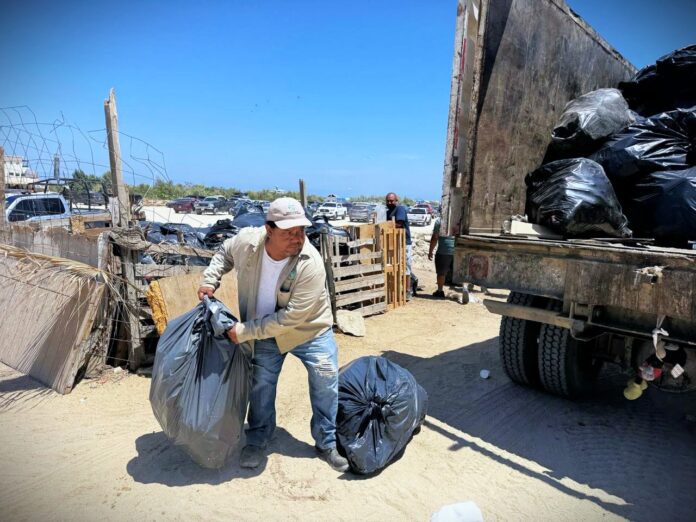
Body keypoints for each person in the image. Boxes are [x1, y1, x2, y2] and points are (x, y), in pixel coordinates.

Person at [197, 197, 349, 473]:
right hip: (265, 329)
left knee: (326, 379)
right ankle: (257, 439)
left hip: (310, 330)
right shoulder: (247, 242)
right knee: (262, 384)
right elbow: (224, 254)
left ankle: (326, 442)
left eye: (301, 230)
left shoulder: (310, 262)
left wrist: (243, 331)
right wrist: (210, 280)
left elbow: (291, 317)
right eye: (289, 232)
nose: (297, 237)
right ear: (269, 229)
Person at [385, 192, 413, 299]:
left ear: (396, 201)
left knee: (405, 266)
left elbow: (399, 223)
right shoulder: (388, 212)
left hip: (404, 242)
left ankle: (407, 291)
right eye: (388, 201)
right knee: (393, 266)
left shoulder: (400, 209)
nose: (389, 202)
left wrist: (385, 225)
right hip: (393, 243)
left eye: (391, 200)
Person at [428, 216, 455, 298]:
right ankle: (465, 290)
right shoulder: (459, 220)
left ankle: (440, 290)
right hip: (458, 250)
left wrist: (430, 251)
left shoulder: (439, 221)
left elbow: (435, 237)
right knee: (461, 273)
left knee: (441, 273)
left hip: (444, 251)